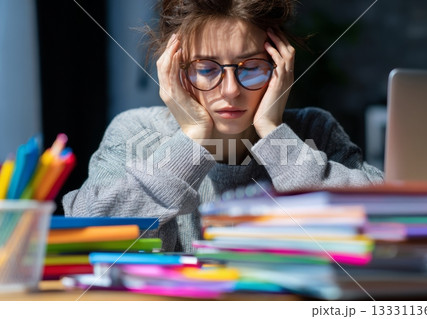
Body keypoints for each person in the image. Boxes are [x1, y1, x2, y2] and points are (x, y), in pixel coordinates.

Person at [63, 0, 384, 252]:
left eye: (253, 67)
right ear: (172, 69)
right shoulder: (136, 133)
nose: (231, 90)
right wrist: (190, 141)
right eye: (206, 69)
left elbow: (386, 224)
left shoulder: (313, 131)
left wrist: (273, 133)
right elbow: (90, 237)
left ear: (280, 67)